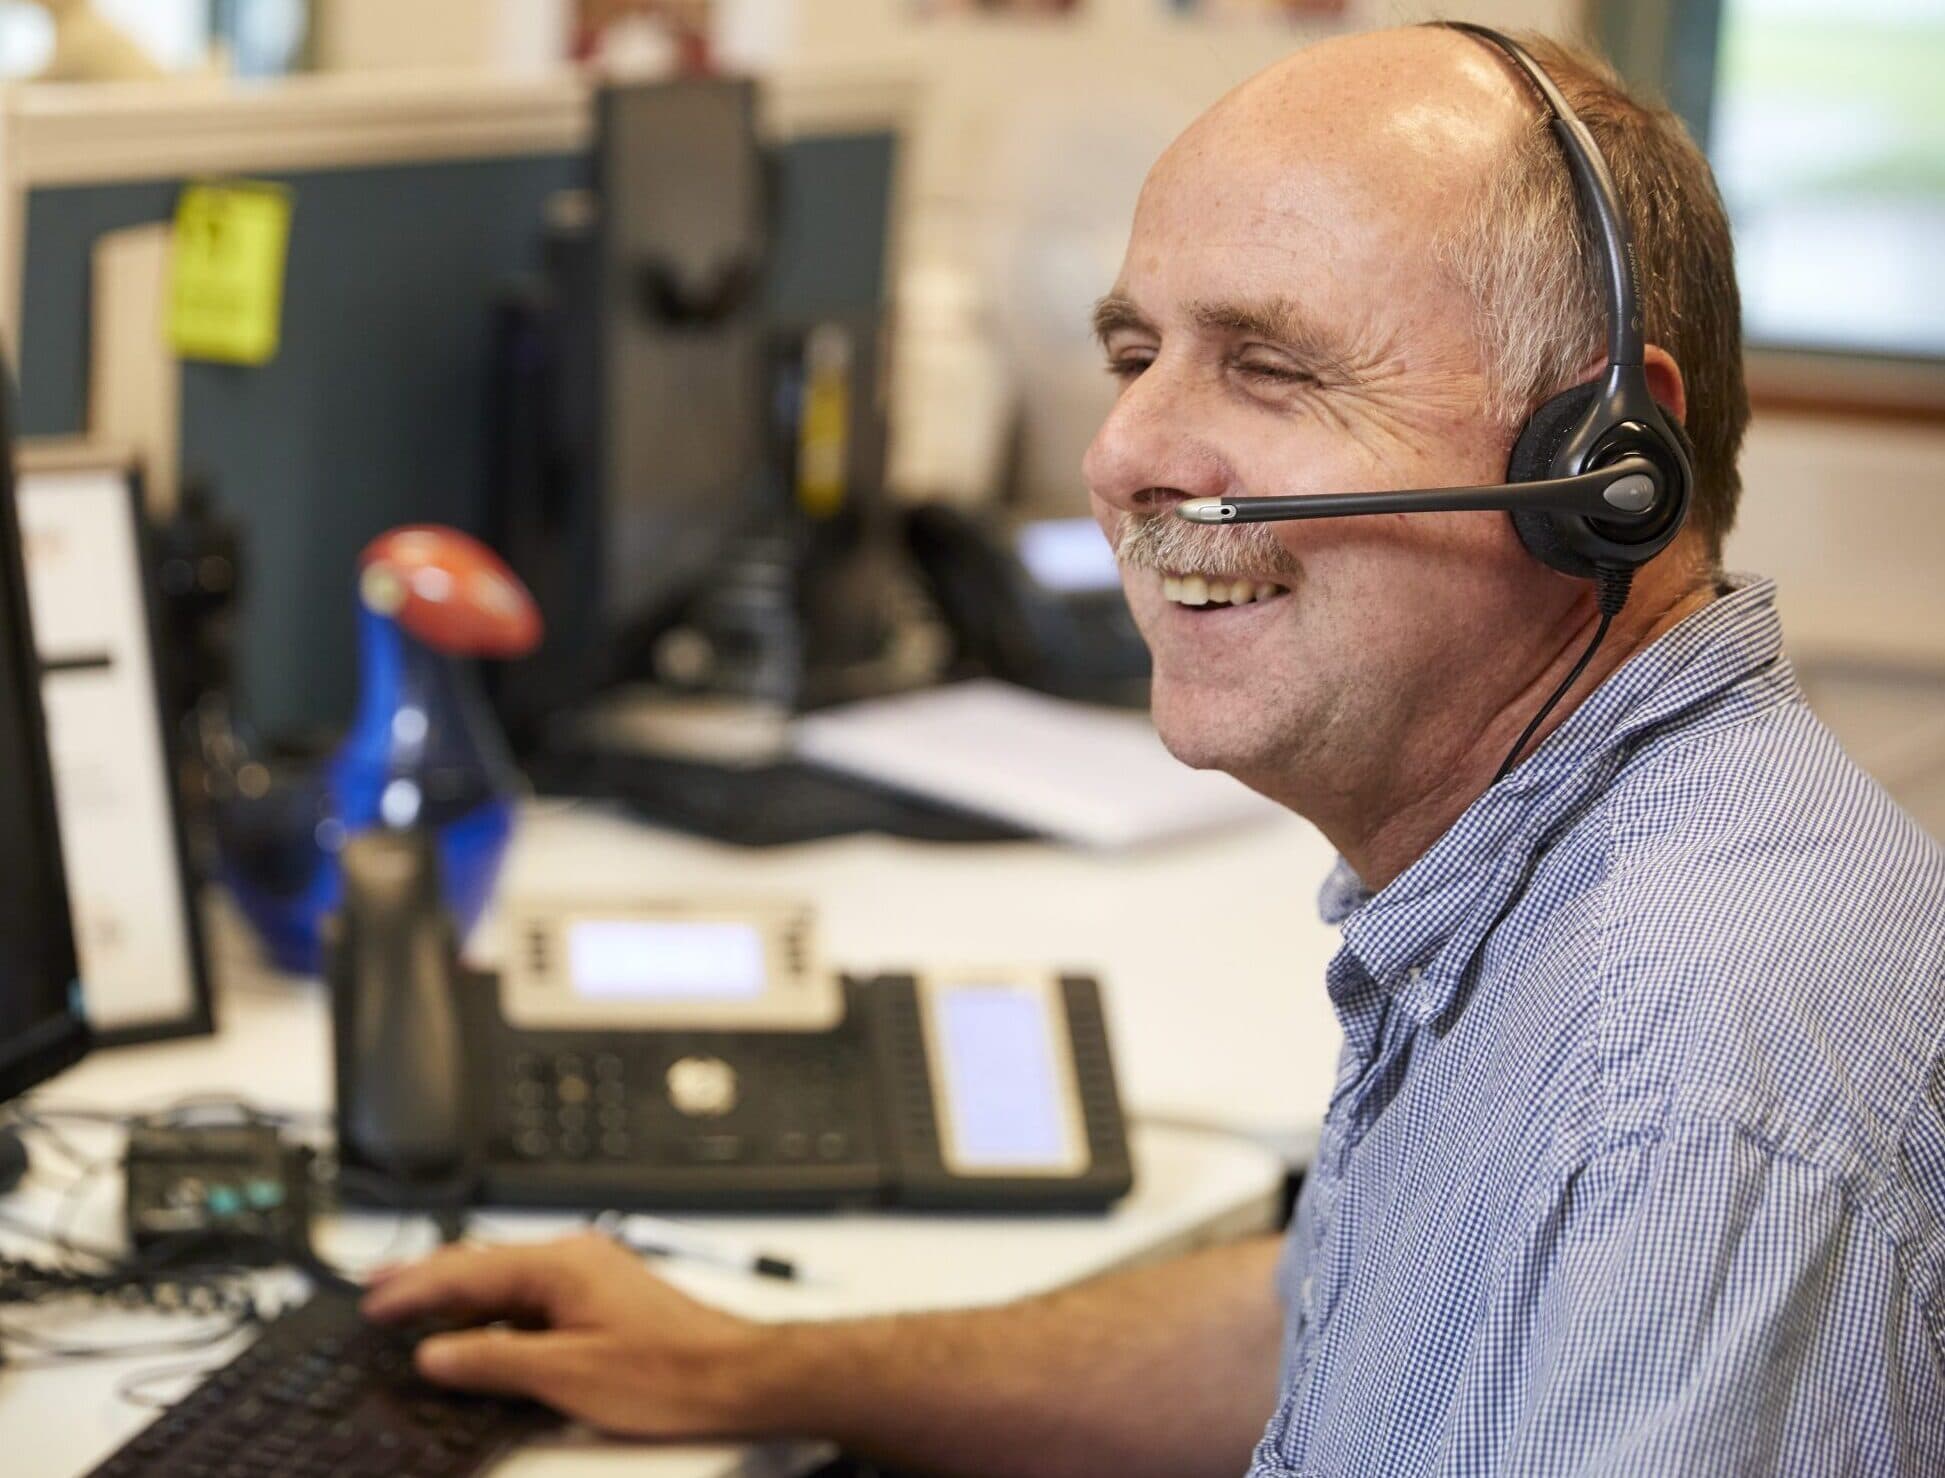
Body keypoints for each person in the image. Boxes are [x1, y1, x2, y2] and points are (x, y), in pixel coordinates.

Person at [363, 24, 1945, 1476]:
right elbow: (1316, 1328)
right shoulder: (1561, 882)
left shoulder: (1674, 1118)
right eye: (1135, 356)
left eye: (1269, 366)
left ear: (1601, 459)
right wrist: (752, 1368)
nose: (1119, 456)